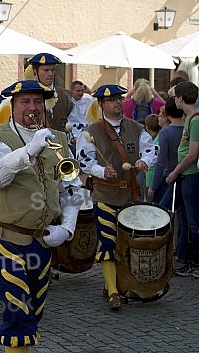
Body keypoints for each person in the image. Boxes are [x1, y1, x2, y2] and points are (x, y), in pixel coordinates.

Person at [0, 79, 83, 352]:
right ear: (12, 106)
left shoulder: (58, 140)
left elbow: (72, 189)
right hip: (5, 236)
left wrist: (67, 228)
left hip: (43, 238)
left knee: (34, 310)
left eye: (37, 102)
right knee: (18, 313)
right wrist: (28, 151)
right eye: (25, 102)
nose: (32, 108)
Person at [76, 84, 157, 310]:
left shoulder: (135, 127)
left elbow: (151, 150)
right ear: (101, 104)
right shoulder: (91, 132)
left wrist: (144, 162)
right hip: (105, 194)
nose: (118, 103)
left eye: (120, 99)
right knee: (108, 241)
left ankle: (116, 282)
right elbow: (83, 160)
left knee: (126, 243)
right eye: (111, 100)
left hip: (130, 194)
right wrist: (101, 171)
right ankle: (113, 291)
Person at [147, 98, 187, 268]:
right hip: (185, 175)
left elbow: (160, 162)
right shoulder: (187, 127)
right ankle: (183, 254)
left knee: (161, 215)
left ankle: (159, 250)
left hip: (168, 178)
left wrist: (153, 186)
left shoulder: (166, 133)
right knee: (184, 219)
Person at [165, 82, 199, 277]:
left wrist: (175, 172)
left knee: (194, 221)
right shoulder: (189, 118)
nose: (172, 99)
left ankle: (195, 262)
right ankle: (187, 260)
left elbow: (193, 154)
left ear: (180, 99)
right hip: (186, 175)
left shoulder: (195, 120)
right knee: (183, 218)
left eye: (175, 97)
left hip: (191, 175)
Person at [27, 53, 73, 132]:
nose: (50, 74)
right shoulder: (25, 94)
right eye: (46, 70)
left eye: (53, 70)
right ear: (35, 71)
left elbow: (75, 123)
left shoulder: (66, 96)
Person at [67, 80, 93, 146]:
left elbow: (99, 103)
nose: (81, 93)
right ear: (71, 91)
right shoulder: (67, 102)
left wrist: (90, 92)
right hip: (72, 133)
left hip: (86, 133)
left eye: (82, 90)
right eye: (78, 91)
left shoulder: (88, 101)